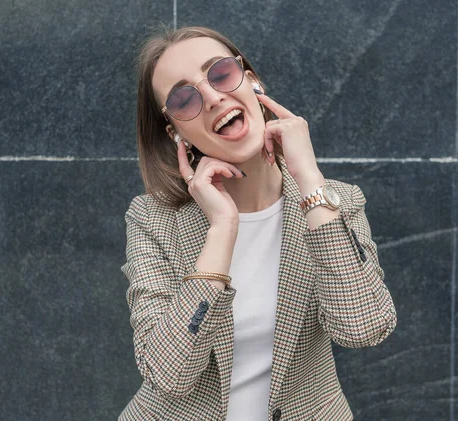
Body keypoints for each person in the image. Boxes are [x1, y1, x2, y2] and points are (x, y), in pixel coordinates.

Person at [119, 26, 397, 421]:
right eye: (184, 99)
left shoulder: (337, 203)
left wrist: (310, 182)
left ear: (252, 81)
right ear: (177, 134)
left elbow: (364, 327)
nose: (214, 97)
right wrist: (222, 229)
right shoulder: (151, 218)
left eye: (220, 74)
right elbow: (168, 375)